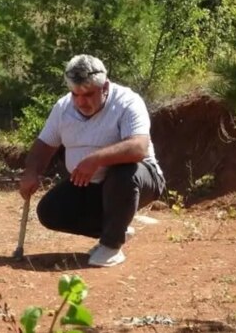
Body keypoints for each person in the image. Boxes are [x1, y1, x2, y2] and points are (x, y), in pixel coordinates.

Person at [18, 55, 165, 267]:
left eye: (88, 94)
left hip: (140, 179)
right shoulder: (63, 108)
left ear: (104, 87)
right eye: (75, 94)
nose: (80, 102)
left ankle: (111, 245)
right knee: (50, 211)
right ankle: (117, 227)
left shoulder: (127, 102)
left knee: (123, 173)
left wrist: (96, 159)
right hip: (90, 185)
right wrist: (31, 171)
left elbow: (138, 147)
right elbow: (44, 145)